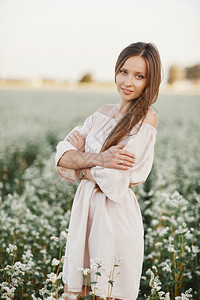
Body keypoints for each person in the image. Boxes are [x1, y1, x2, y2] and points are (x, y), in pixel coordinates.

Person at [55, 42, 162, 300]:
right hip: (84, 214)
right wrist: (101, 158)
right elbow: (61, 156)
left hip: (114, 217)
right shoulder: (101, 113)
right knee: (79, 292)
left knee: (108, 291)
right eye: (123, 72)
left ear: (151, 82)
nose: (128, 82)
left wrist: (81, 166)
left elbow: (115, 180)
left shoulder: (146, 118)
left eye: (139, 76)